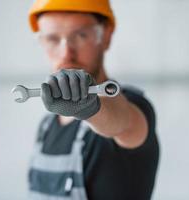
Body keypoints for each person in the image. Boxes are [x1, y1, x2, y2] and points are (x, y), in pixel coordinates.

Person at [26, 0, 159, 199]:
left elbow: (122, 122)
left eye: (80, 35)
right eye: (53, 39)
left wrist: (90, 106)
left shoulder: (133, 108)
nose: (66, 53)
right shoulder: (46, 127)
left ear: (105, 36)